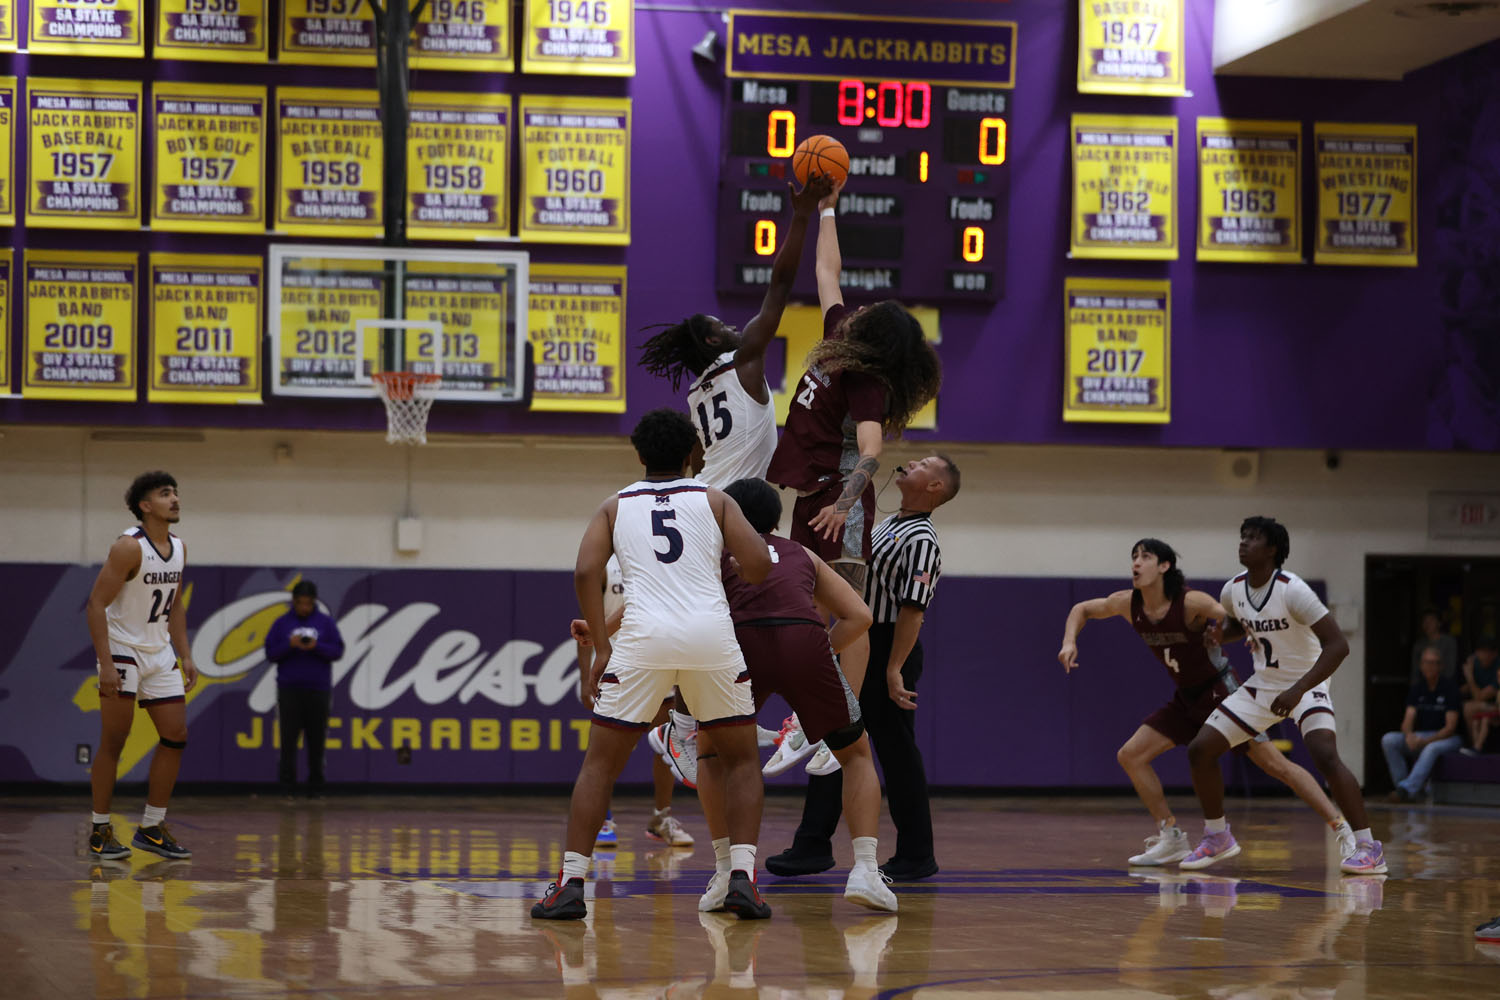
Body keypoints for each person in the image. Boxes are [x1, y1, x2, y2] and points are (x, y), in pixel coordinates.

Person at [580, 478, 896, 912]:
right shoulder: (801, 553)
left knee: (713, 757)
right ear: (776, 518)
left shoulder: (712, 553)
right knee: (856, 754)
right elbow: (859, 615)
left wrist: (604, 631)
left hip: (739, 645)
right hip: (803, 639)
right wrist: (822, 650)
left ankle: (726, 868)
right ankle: (864, 869)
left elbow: (655, 601)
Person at [531, 409, 772, 921]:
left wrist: (601, 646)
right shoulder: (715, 499)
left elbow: (585, 571)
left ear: (640, 456)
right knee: (741, 760)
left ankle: (571, 884)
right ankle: (743, 881)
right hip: (711, 637)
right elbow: (757, 567)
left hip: (642, 640)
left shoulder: (615, 506)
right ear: (692, 455)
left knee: (601, 765)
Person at [637, 174, 833, 784]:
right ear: (712, 340)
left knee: (722, 624)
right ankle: (806, 712)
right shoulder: (744, 360)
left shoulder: (701, 388)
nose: (734, 323)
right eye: (721, 323)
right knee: (797, 595)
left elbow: (698, 455)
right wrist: (800, 215)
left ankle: (684, 722)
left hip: (708, 507)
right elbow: (779, 283)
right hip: (725, 514)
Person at [760, 181, 943, 764]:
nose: (858, 307)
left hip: (839, 503)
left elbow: (870, 449)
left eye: (871, 314)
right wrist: (827, 208)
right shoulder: (840, 335)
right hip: (812, 496)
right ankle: (826, 718)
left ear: (877, 339)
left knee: (845, 614)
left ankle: (833, 718)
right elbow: (827, 271)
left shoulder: (868, 383)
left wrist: (847, 502)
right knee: (808, 613)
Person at [1058, 538, 1357, 867]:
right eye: (1134, 557)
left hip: (1220, 691)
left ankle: (1341, 827)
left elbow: (1228, 615)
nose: (1137, 562)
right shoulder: (1129, 604)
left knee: (1275, 765)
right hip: (1186, 698)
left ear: (1164, 566)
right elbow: (1082, 608)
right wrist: (1069, 641)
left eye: (1145, 556)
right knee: (1131, 755)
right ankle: (1171, 835)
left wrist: (1243, 632)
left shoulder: (1189, 602)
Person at [766, 455, 958, 882]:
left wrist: (894, 668)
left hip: (890, 646)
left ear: (936, 488)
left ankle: (916, 854)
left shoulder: (923, 540)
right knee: (836, 741)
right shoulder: (887, 525)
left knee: (894, 752)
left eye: (923, 463)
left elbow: (913, 610)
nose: (909, 462)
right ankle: (812, 844)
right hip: (861, 640)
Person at [1184, 516, 1385, 875]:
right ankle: (1217, 837)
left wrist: (1298, 690)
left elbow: (1338, 646)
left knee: (1324, 755)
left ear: (1272, 549)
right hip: (1264, 684)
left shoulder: (1293, 589)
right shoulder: (1232, 589)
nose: (1243, 542)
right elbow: (1237, 624)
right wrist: (1219, 636)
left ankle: (1368, 846)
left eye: (1253, 538)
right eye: (1242, 536)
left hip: (1307, 682)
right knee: (1201, 749)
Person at [85, 471, 198, 861]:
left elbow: (175, 605)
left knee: (176, 735)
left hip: (159, 651)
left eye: (176, 491)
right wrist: (105, 664)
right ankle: (100, 828)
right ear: (145, 506)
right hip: (122, 649)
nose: (175, 498)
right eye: (166, 493)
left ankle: (151, 826)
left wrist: (185, 653)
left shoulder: (180, 547)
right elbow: (95, 604)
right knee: (115, 741)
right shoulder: (128, 547)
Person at [575, 556, 694, 849]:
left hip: (662, 662)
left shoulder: (661, 558)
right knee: (610, 750)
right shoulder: (604, 564)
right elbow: (588, 625)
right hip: (620, 668)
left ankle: (661, 818)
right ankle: (602, 819)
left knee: (666, 744)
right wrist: (582, 679)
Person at [264, 580, 345, 801]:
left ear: (314, 602)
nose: (304, 608)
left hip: (318, 689)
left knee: (317, 741)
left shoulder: (325, 623)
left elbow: (338, 650)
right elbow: (271, 653)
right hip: (289, 689)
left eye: (308, 603)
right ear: (294, 602)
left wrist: (316, 646)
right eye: (300, 603)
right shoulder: (282, 623)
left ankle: (316, 788)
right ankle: (287, 788)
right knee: (288, 741)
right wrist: (290, 645)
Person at [1382, 647, 1463, 801]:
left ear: (1440, 666)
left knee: (1431, 748)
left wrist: (1425, 742)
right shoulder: (1417, 688)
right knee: (1389, 740)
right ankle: (1404, 787)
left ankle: (1406, 790)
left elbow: (1450, 728)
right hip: (1422, 735)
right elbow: (1407, 720)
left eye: (1433, 663)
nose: (1429, 667)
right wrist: (1409, 736)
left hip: (1448, 738)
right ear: (1421, 665)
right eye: (1426, 663)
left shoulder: (1449, 688)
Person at [1460, 636, 1499, 752]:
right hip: (1483, 708)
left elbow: (1480, 697)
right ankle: (1476, 747)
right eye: (1481, 651)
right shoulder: (1474, 663)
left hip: (1496, 706)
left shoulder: (1498, 667)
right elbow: (1463, 690)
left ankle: (1475, 748)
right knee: (1473, 714)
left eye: (1488, 652)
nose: (1484, 655)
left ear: (1495, 653)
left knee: (1469, 708)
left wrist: (1470, 677)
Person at [1410, 607, 1458, 683]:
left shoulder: (1448, 642)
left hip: (1443, 686)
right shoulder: (1419, 645)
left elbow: (1450, 670)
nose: (1427, 624)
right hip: (1423, 687)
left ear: (1439, 623)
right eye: (1424, 621)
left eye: (1431, 620)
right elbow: (1415, 672)